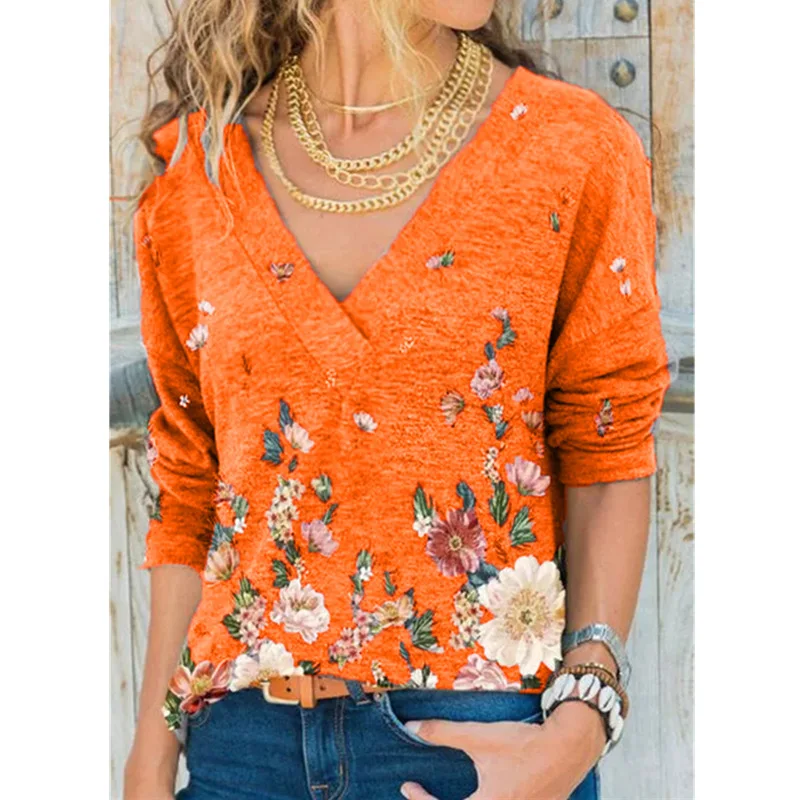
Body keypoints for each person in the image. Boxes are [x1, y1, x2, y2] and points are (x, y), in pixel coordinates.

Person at [123, 1, 671, 798]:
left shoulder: (571, 148)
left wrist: (579, 728)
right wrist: (149, 757)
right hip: (241, 750)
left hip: (482, 746)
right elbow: (190, 488)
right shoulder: (197, 176)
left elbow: (608, 444)